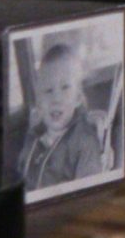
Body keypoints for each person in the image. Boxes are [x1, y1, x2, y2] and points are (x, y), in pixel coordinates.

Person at [13, 39, 110, 189]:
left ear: (78, 98)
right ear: (39, 102)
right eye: (48, 90)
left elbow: (86, 191)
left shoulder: (85, 142)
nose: (56, 99)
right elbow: (21, 171)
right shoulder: (35, 135)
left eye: (65, 87)